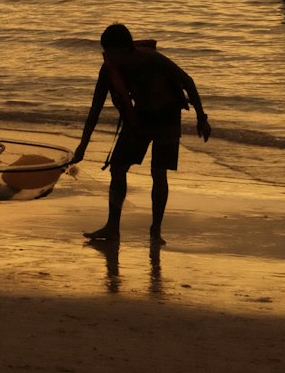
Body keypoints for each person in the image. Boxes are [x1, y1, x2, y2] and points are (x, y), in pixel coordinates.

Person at [71, 23, 211, 245]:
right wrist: (82, 147)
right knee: (117, 167)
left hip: (168, 116)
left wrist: (202, 118)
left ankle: (155, 231)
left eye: (109, 50)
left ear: (124, 49)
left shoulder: (151, 60)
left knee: (158, 172)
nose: (105, 55)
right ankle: (112, 227)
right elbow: (95, 108)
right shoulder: (108, 69)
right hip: (140, 117)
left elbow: (187, 81)